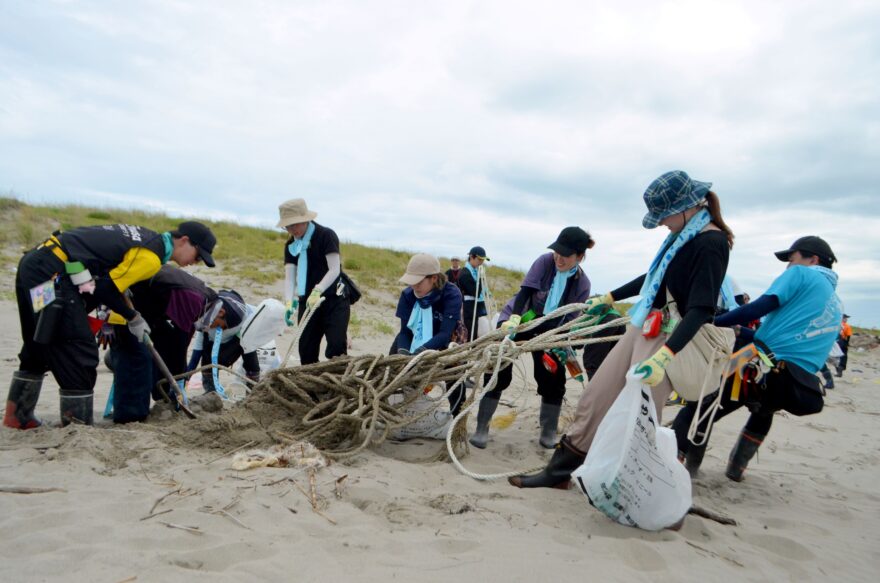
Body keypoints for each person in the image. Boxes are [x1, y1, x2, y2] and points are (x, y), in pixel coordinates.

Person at [508, 170, 732, 488]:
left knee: (639, 417)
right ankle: (559, 473)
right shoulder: (682, 236)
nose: (661, 224)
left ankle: (637, 490)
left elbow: (701, 309)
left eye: (663, 217)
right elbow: (656, 277)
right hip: (643, 325)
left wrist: (666, 355)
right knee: (595, 397)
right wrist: (612, 296)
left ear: (687, 206)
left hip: (669, 337)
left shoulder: (711, 242)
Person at [3, 221, 215, 429]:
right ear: (184, 240)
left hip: (36, 266)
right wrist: (133, 317)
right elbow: (106, 289)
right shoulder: (151, 256)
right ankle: (77, 426)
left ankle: (19, 416)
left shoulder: (145, 236)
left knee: (41, 336)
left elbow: (102, 279)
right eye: (198, 256)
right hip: (51, 276)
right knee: (78, 348)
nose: (195, 262)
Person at [672, 236, 842, 481]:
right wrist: (745, 332)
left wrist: (708, 322)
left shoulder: (802, 276)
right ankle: (736, 470)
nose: (787, 267)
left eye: (791, 260)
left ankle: (681, 466)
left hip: (761, 366)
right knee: (764, 410)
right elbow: (795, 341)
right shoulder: (835, 302)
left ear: (812, 259)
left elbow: (757, 308)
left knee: (703, 405)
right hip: (794, 382)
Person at [469, 226, 594, 450]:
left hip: (551, 330)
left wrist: (562, 345)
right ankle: (482, 428)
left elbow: (571, 320)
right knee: (499, 366)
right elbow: (525, 293)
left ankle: (547, 431)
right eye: (557, 251)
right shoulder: (545, 262)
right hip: (521, 318)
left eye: (566, 255)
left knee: (552, 376)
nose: (559, 258)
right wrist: (514, 320)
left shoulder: (582, 284)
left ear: (580, 257)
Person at [106, 264, 217, 423]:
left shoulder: (198, 299)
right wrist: (179, 377)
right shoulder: (193, 298)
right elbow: (181, 340)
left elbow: (182, 338)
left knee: (164, 345)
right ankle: (131, 415)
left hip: (151, 306)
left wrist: (178, 377)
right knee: (138, 357)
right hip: (132, 299)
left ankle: (162, 396)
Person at [278, 199, 352, 365]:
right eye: (287, 227)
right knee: (306, 349)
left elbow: (334, 270)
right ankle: (312, 389)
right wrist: (289, 302)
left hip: (333, 298)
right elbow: (290, 277)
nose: (292, 230)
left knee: (336, 347)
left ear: (305, 219)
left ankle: (338, 386)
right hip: (308, 301)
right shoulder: (291, 244)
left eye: (294, 225)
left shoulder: (326, 235)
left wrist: (318, 290)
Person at [391, 253, 465, 415]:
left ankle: (457, 419)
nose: (414, 286)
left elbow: (445, 333)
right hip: (414, 336)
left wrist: (419, 353)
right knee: (393, 367)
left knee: (456, 376)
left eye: (418, 282)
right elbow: (404, 331)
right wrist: (403, 355)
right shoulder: (408, 295)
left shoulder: (451, 294)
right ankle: (398, 412)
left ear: (433, 278)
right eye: (411, 282)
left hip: (446, 337)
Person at [188, 290, 261, 406]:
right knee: (207, 355)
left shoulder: (244, 320)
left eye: (210, 324)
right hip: (214, 341)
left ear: (221, 313)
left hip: (240, 337)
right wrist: (188, 373)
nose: (207, 327)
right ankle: (210, 392)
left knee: (247, 354)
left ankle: (252, 393)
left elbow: (250, 349)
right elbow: (198, 346)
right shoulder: (207, 317)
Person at [458, 246, 491, 342]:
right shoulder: (465, 273)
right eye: (479, 259)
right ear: (472, 257)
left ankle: (473, 346)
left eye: (482, 260)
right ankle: (469, 348)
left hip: (474, 305)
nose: (481, 262)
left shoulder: (475, 272)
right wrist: (480, 278)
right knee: (469, 329)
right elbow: (475, 291)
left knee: (475, 328)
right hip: (468, 306)